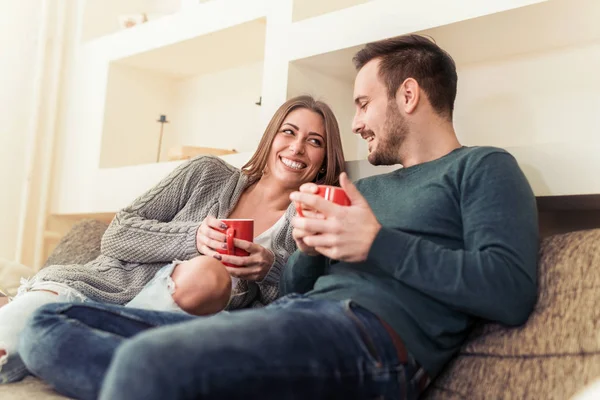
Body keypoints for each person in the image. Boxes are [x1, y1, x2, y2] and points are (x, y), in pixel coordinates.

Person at [20, 34, 539, 400]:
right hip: (291, 323)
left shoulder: (482, 167)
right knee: (46, 326)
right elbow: (296, 291)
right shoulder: (365, 189)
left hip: (372, 342)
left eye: (362, 104)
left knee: (144, 363)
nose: (355, 123)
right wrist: (308, 255)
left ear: (408, 95)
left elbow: (510, 291)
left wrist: (375, 244)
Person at [0, 95, 346, 384]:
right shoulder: (205, 173)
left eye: (314, 142)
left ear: (322, 160)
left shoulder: (308, 220)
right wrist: (193, 237)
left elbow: (295, 314)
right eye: (289, 132)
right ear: (271, 138)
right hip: (95, 288)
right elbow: (118, 234)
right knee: (8, 344)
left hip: (163, 324)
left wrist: (269, 270)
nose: (297, 147)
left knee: (207, 275)